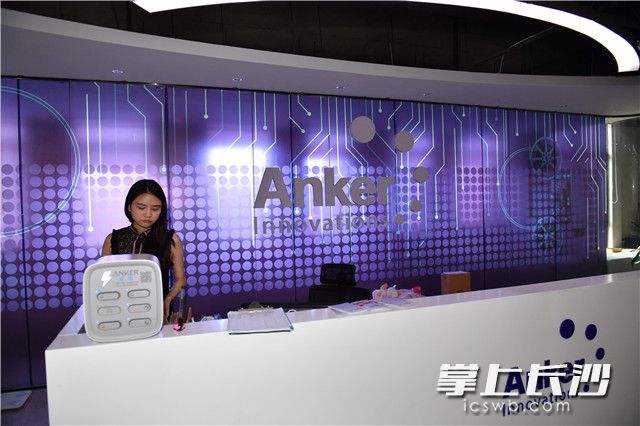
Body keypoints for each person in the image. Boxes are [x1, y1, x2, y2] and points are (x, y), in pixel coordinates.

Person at [101, 179, 185, 322]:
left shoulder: (171, 239)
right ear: (129, 206)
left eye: (155, 209)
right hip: (120, 311)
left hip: (158, 311)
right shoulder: (112, 240)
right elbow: (104, 280)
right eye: (141, 207)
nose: (148, 214)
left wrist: (168, 299)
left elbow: (180, 279)